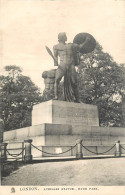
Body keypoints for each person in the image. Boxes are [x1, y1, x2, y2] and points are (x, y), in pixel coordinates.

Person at [53, 32, 89, 102]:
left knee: (74, 82)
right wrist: (56, 63)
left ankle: (78, 99)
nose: (66, 37)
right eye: (65, 36)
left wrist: (86, 41)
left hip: (71, 65)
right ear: (62, 37)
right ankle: (56, 96)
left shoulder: (71, 45)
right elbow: (55, 56)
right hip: (62, 64)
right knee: (57, 79)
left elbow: (80, 47)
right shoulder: (56, 46)